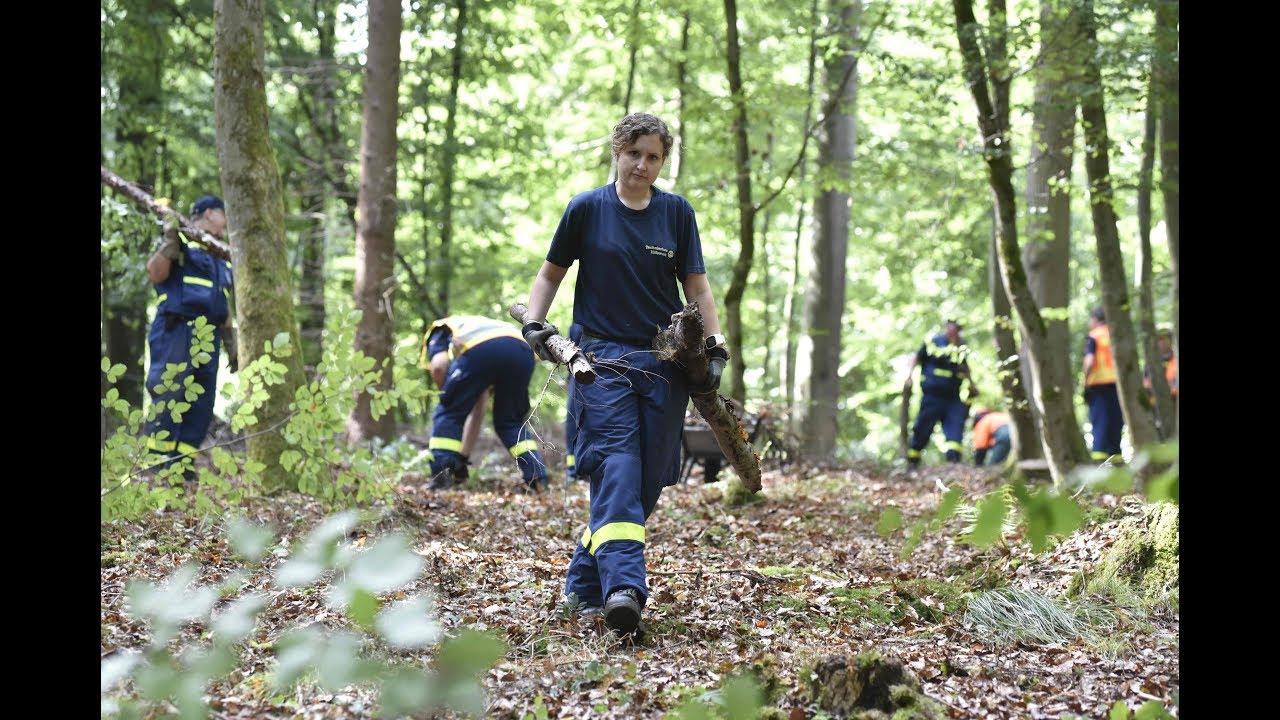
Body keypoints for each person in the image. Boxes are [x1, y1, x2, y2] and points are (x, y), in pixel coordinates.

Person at [521, 112, 726, 636]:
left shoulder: (677, 214)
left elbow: (697, 290)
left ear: (662, 161)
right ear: (617, 149)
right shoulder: (587, 209)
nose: (642, 164)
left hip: (664, 364)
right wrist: (535, 326)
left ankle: (586, 583)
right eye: (634, 153)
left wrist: (713, 344)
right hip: (599, 362)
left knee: (648, 481)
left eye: (653, 156)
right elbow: (550, 275)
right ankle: (624, 589)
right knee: (617, 466)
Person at [143, 194, 237, 475]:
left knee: (202, 404)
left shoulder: (222, 254)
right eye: (223, 213)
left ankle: (182, 466)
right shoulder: (180, 240)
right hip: (178, 329)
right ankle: (157, 467)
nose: (227, 221)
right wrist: (170, 242)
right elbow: (155, 273)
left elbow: (223, 301)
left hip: (210, 335)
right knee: (170, 393)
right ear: (209, 213)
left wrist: (231, 342)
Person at [419, 315, 549, 491]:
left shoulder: (440, 329)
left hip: (483, 349)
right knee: (510, 421)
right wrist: (462, 458)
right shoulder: (479, 326)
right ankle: (537, 476)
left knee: (449, 411)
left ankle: (441, 476)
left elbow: (438, 366)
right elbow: (478, 410)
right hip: (522, 350)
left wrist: (449, 398)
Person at [903, 319, 976, 467]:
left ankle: (954, 462)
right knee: (923, 427)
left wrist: (972, 384)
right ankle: (913, 461)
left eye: (955, 328)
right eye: (950, 327)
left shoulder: (961, 346)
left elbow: (965, 367)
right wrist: (909, 375)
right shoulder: (934, 342)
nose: (951, 331)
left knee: (955, 427)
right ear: (946, 327)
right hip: (932, 396)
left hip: (953, 397)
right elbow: (916, 358)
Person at [1082, 305, 1123, 461]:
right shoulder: (1115, 335)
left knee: (1099, 419)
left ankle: (1099, 456)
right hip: (1117, 383)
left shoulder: (1094, 335)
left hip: (1098, 383)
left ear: (1095, 319)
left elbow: (1090, 360)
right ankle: (1116, 456)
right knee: (1115, 419)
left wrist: (1085, 382)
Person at [564, 323, 583, 483]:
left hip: (579, 375)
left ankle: (574, 471)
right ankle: (573, 470)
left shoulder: (580, 322)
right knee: (572, 421)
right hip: (577, 374)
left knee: (574, 420)